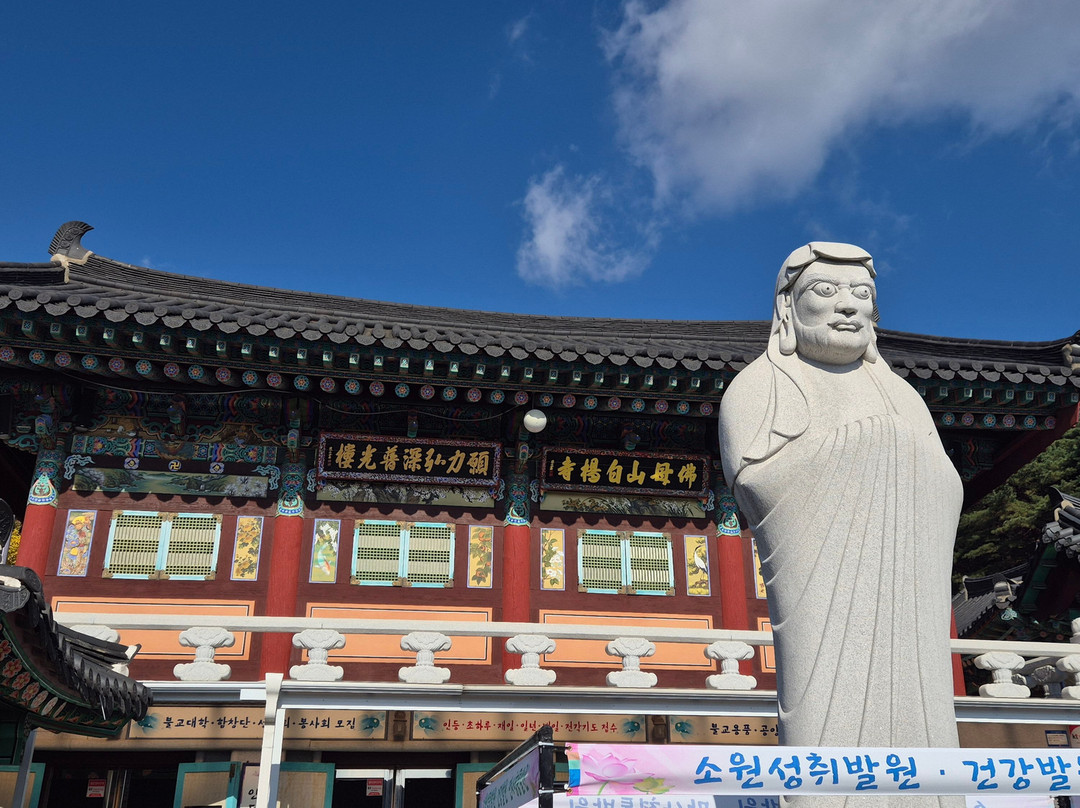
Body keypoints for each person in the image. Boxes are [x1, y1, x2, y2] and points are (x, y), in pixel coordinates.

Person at [718, 243, 962, 807]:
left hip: (907, 596)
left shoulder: (901, 395)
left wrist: (895, 449)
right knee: (825, 706)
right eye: (824, 292)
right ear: (787, 306)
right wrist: (861, 445)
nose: (848, 307)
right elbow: (757, 480)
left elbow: (946, 486)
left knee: (922, 698)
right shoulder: (760, 385)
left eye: (863, 295)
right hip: (821, 591)